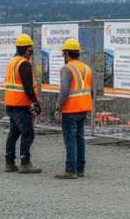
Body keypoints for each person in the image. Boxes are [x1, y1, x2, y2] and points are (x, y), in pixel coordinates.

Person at [3, 34, 42, 173]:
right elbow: (28, 86)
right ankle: (25, 163)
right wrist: (36, 103)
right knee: (28, 133)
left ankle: (10, 162)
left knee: (13, 133)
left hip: (11, 104)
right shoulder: (24, 64)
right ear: (28, 50)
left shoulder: (12, 62)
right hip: (20, 105)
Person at [54, 39, 92, 179]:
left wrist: (59, 104)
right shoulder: (86, 68)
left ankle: (70, 170)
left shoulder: (67, 68)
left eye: (64, 54)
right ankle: (80, 169)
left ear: (67, 54)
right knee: (79, 138)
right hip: (84, 107)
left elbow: (64, 89)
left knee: (70, 139)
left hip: (71, 108)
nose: (63, 57)